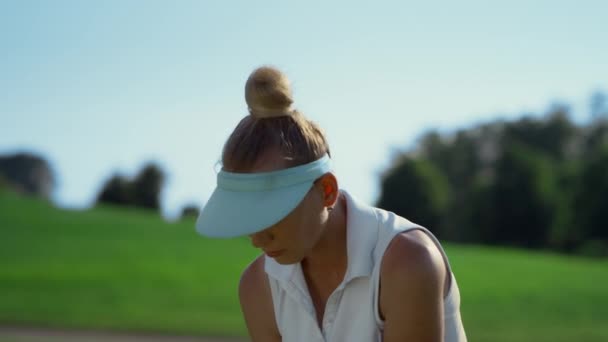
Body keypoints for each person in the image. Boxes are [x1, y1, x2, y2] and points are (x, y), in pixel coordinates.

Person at [196, 66, 467, 342]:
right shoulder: (258, 287)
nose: (257, 238)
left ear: (326, 191)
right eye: (249, 218)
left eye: (272, 214)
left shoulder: (408, 262)